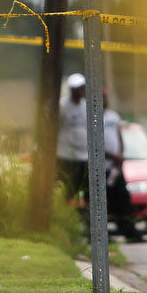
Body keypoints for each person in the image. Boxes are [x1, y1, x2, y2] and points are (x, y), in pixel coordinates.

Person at [102, 89, 147, 243]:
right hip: (99, 168)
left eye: (106, 97)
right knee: (102, 202)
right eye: (102, 98)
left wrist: (119, 156)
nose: (105, 100)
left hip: (115, 168)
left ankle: (129, 231)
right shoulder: (90, 117)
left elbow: (119, 137)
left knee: (123, 200)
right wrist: (113, 156)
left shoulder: (113, 117)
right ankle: (103, 234)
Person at [57, 73, 88, 201]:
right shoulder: (62, 106)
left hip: (83, 155)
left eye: (82, 87)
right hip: (65, 155)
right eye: (77, 88)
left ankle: (80, 213)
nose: (80, 90)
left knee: (82, 188)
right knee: (67, 188)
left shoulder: (86, 105)